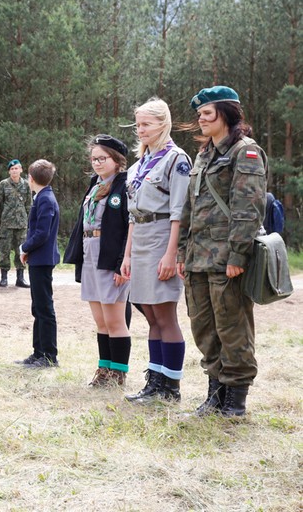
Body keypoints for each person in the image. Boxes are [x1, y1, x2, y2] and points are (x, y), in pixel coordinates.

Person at [178, 86, 267, 417]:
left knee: (233, 327)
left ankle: (235, 401)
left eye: (207, 114)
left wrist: (237, 255)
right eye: (199, 114)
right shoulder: (204, 155)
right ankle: (215, 394)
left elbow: (248, 207)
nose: (200, 119)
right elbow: (191, 206)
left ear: (227, 114)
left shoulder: (246, 152)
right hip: (198, 257)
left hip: (226, 258)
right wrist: (183, 252)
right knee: (204, 327)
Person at [120, 98, 192, 403]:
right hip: (141, 238)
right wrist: (127, 255)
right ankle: (155, 381)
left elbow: (179, 210)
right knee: (150, 315)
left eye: (146, 124)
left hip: (163, 236)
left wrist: (171, 254)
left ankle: (170, 387)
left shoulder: (176, 160)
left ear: (163, 124)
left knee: (164, 314)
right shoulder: (138, 164)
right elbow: (132, 215)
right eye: (137, 125)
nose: (140, 130)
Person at [64, 135, 131, 387]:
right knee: (101, 321)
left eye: (102, 158)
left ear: (117, 161)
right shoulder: (94, 185)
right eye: (94, 159)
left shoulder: (124, 187)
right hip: (90, 252)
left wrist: (122, 263)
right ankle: (104, 369)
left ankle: (119, 373)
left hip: (110, 255)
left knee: (115, 320)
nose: (97, 163)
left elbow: (127, 228)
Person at [15, 159, 60, 367]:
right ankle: (38, 352)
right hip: (38, 259)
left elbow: (42, 233)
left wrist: (24, 248)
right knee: (38, 308)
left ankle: (49, 356)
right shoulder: (42, 196)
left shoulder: (45, 199)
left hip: (42, 260)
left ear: (30, 179)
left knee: (44, 309)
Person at [0, 159, 32, 288]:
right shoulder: (3, 184)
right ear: (9, 171)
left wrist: (26, 218)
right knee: (4, 250)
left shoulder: (26, 185)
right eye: (12, 169)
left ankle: (20, 278)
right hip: (7, 223)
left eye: (16, 168)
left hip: (21, 223)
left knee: (21, 251)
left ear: (21, 170)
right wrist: (6, 214)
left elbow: (29, 204)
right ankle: (4, 277)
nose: (14, 171)